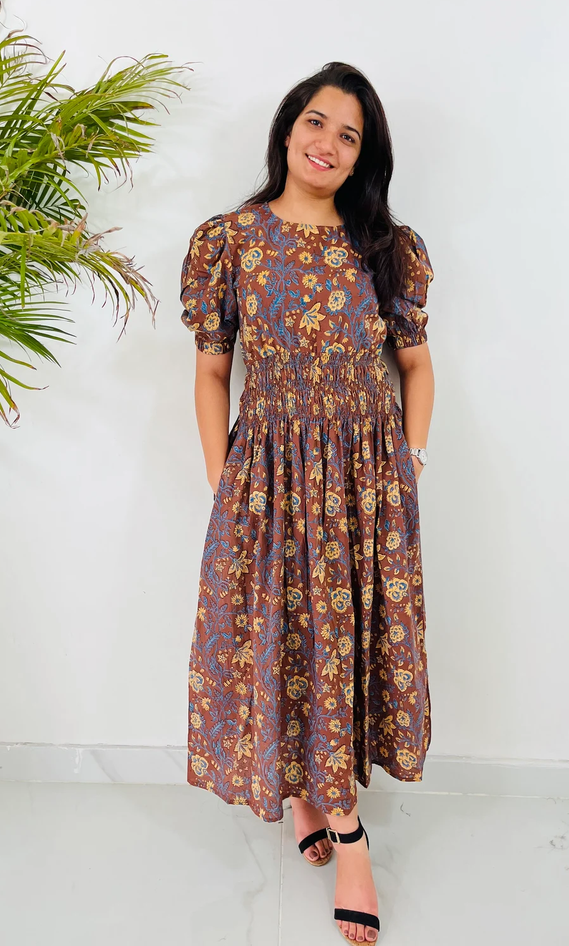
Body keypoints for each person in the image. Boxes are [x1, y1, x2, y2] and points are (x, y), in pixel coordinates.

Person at [180, 61, 434, 945]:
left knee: (344, 640)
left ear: (363, 157)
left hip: (366, 483)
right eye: (316, 122)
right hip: (270, 479)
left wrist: (410, 464)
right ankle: (324, 813)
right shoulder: (232, 241)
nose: (327, 143)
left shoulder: (386, 247)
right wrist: (225, 484)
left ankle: (333, 811)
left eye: (349, 135)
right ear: (289, 127)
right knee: (285, 636)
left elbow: (415, 366)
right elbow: (212, 373)